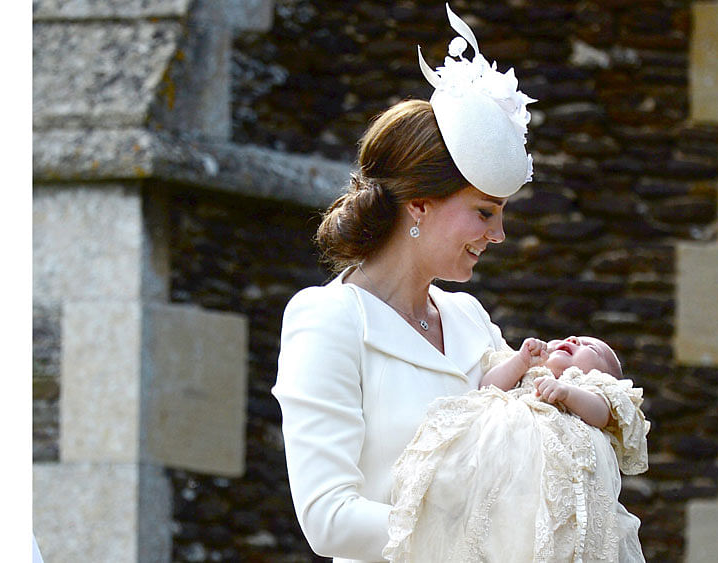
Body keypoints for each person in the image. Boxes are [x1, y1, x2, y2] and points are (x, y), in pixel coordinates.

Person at [272, 5, 535, 562]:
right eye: (484, 213)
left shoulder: (470, 320)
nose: (500, 234)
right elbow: (329, 517)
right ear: (420, 202)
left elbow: (527, 448)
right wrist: (472, 540)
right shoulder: (328, 319)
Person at [383, 336, 649, 562]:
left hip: (547, 476)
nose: (573, 340)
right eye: (568, 338)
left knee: (545, 531)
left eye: (592, 349)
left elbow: (601, 414)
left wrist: (567, 393)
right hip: (497, 460)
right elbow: (487, 385)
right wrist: (520, 361)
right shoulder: (529, 372)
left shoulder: (591, 388)